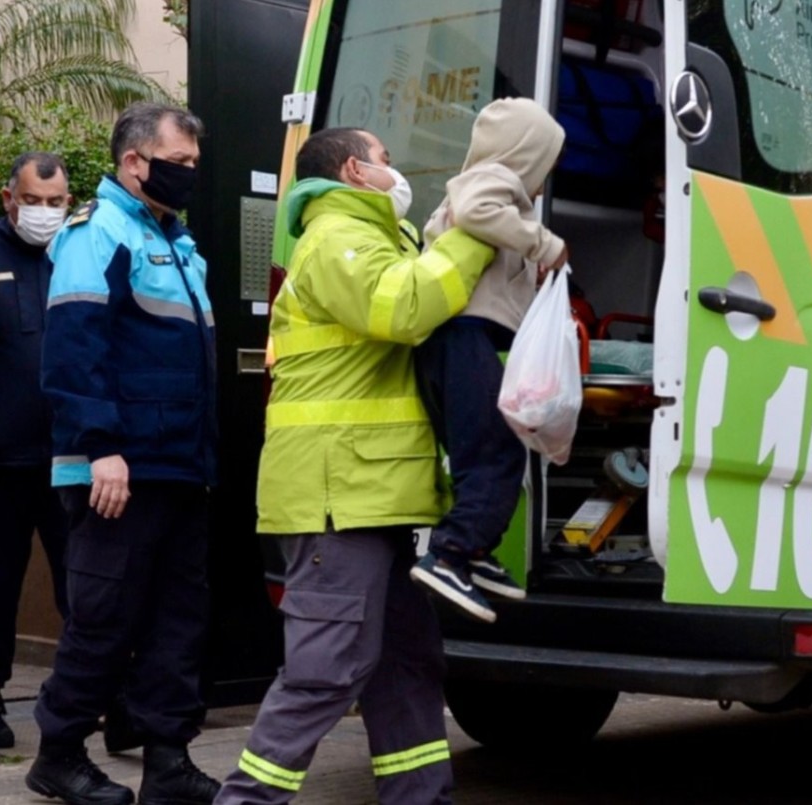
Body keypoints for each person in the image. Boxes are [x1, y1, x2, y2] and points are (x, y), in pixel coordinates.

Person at [214, 127, 495, 805]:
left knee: (404, 665)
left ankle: (421, 797)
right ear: (353, 169)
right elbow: (403, 306)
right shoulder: (336, 236)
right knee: (326, 670)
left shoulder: (370, 238)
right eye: (386, 160)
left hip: (372, 494)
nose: (395, 172)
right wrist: (480, 231)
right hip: (335, 496)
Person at [25, 102, 220, 805]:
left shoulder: (176, 242)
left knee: (177, 620)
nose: (190, 174)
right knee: (103, 618)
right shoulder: (97, 232)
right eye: (182, 160)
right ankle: (59, 752)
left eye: (195, 163)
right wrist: (100, 446)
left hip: (176, 465)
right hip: (118, 470)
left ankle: (168, 756)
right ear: (135, 161)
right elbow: (75, 351)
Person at [409, 98, 569, 623]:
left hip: (456, 342)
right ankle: (451, 554)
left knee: (485, 450)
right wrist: (545, 244)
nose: (545, 179)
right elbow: (477, 210)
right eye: (545, 163)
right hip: (461, 339)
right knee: (496, 451)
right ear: (526, 156)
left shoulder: (491, 188)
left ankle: (473, 553)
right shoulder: (491, 179)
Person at [0, 152, 73, 748]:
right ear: (10, 199)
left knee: (82, 588)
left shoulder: (76, 253)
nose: (44, 213)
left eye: (55, 203)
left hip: (67, 458)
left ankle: (93, 704)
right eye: (33, 201)